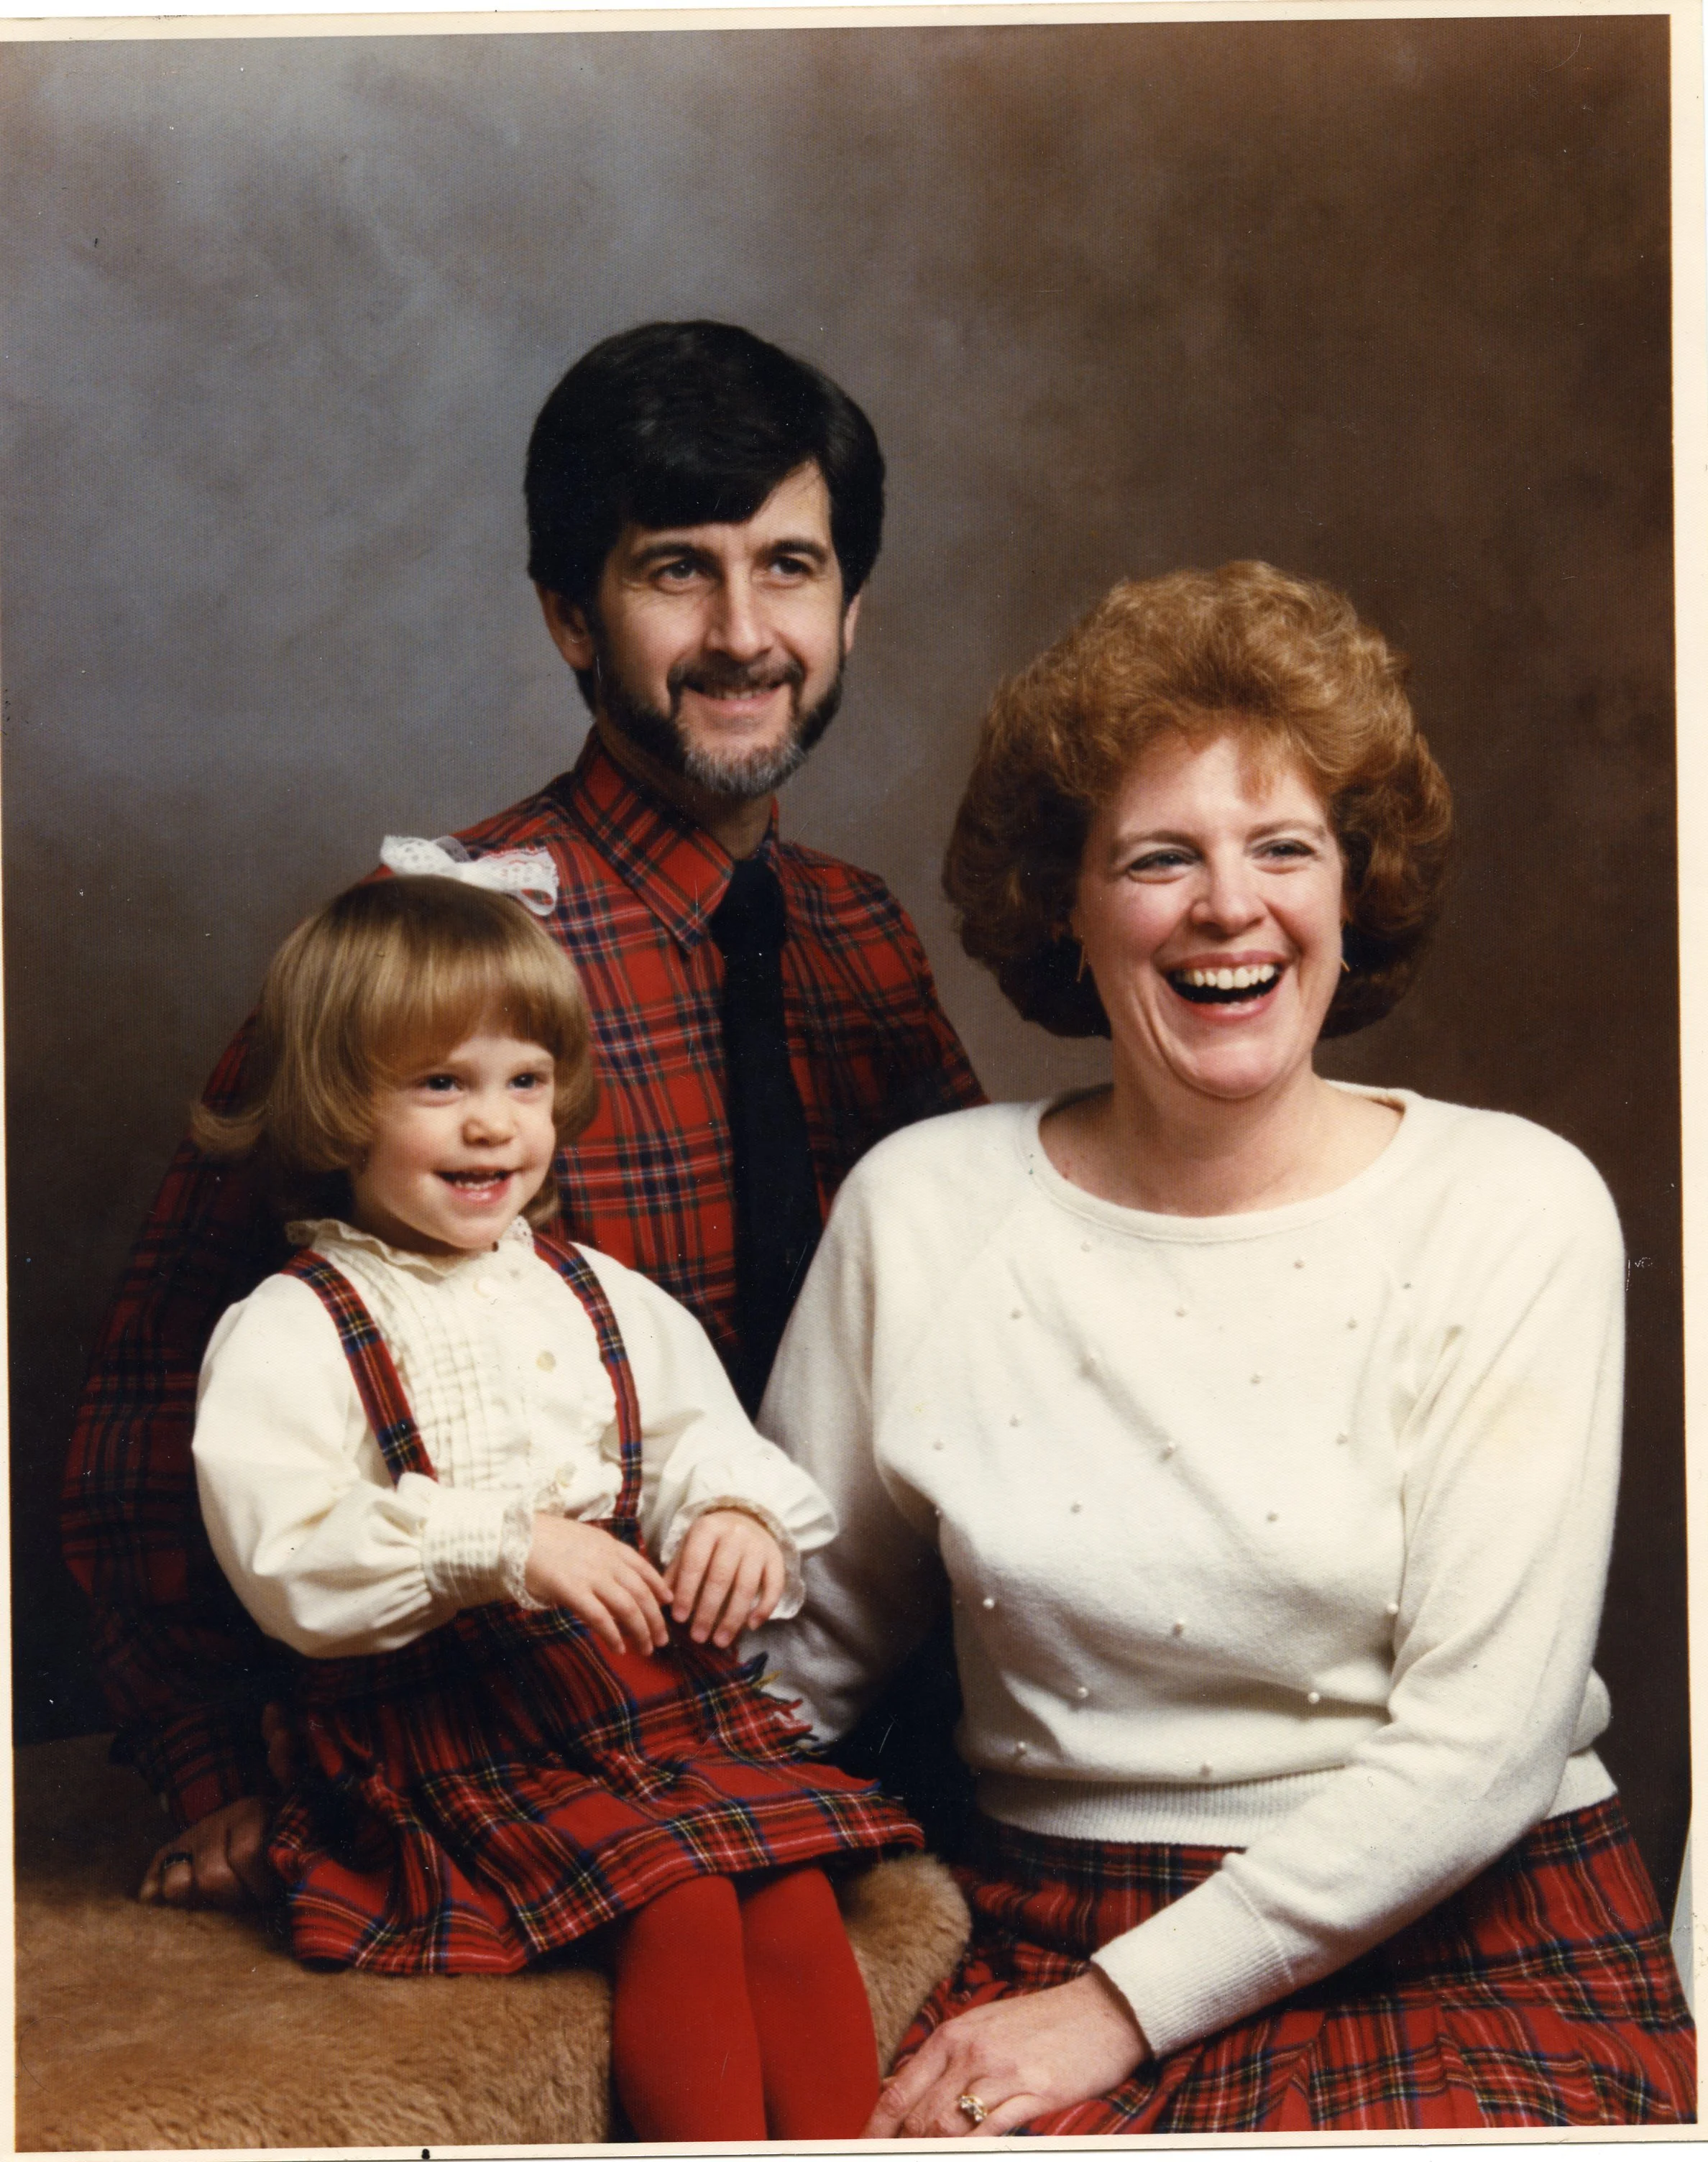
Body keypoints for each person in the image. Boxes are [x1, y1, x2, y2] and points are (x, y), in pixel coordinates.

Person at [753, 561, 1696, 2131]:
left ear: (1354, 886)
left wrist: (1115, 2015)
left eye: (1283, 848)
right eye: (1159, 857)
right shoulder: (920, 1211)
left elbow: (1479, 1752)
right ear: (1067, 897)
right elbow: (788, 1670)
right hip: (1045, 1928)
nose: (1228, 908)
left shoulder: (1515, 1205)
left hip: (1469, 1936)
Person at [62, 319, 981, 1911]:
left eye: (791, 568)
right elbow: (155, 1416)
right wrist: (214, 1766)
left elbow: (975, 1326)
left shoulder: (862, 938)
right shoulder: (435, 953)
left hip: (843, 1706)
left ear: (853, 608)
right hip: (529, 1725)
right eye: (675, 570)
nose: (744, 631)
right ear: (569, 613)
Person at [189, 864, 921, 2141]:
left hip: (630, 1694)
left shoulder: (600, 1293)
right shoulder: (299, 1324)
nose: (494, 1127)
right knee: (682, 1901)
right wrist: (500, 1543)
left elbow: (706, 1441)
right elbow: (288, 1554)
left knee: (789, 1886)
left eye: (523, 1081)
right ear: (337, 1101)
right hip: (441, 1721)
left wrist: (733, 1520)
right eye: (440, 1085)